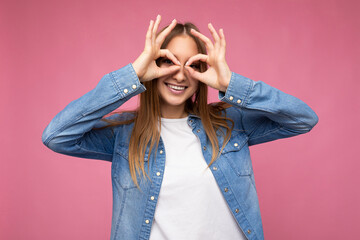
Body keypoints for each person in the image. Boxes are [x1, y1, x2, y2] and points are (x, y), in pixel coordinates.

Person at [42, 14, 319, 240]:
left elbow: (303, 118)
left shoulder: (231, 125)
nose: (179, 74)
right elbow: (56, 135)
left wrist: (229, 83)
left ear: (202, 72)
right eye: (168, 61)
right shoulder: (123, 134)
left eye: (192, 65)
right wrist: (133, 73)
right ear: (155, 63)